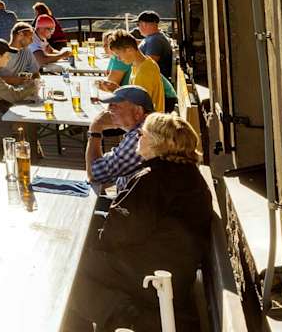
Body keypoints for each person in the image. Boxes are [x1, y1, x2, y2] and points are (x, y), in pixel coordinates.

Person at [66, 114, 211, 332]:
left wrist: (85, 238)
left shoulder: (152, 179)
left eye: (141, 134)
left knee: (68, 268)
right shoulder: (187, 174)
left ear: (156, 142)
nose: (137, 138)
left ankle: (125, 317)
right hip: (172, 269)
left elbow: (114, 237)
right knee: (81, 258)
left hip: (150, 277)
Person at [85, 85, 152, 193]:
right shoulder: (147, 127)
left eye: (114, 106)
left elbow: (94, 174)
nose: (108, 110)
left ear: (138, 112)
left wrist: (95, 129)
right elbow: (107, 167)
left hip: (133, 206)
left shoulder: (140, 137)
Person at [99, 30, 180, 108]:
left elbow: (139, 107)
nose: (119, 59)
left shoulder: (144, 72)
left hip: (148, 120)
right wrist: (117, 89)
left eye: (118, 55)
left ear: (129, 50)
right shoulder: (141, 63)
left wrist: (116, 91)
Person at [135, 10, 174, 80]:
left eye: (138, 24)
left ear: (144, 24)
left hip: (153, 80)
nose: (138, 28)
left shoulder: (154, 41)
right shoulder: (154, 37)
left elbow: (148, 65)